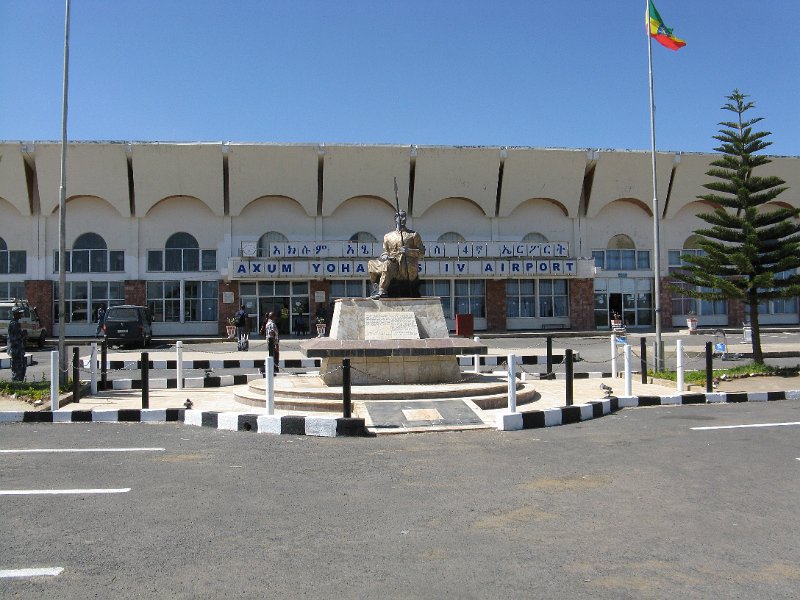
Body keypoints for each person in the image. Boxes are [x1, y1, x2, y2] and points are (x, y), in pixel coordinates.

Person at [368, 209, 425, 298]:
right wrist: (385, 256)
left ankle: (382, 291)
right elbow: (385, 251)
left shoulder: (413, 235)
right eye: (401, 216)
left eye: (404, 217)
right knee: (371, 263)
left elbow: (422, 252)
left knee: (387, 265)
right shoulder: (388, 236)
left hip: (404, 264)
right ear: (396, 218)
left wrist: (408, 251)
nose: (403, 219)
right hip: (392, 260)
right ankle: (375, 286)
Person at [7, 307, 27, 382]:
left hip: (19, 349)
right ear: (15, 314)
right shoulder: (14, 324)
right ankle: (16, 383)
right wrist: (23, 335)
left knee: (21, 367)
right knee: (17, 368)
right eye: (19, 313)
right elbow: (15, 338)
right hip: (16, 350)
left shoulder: (16, 323)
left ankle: (19, 382)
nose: (21, 314)